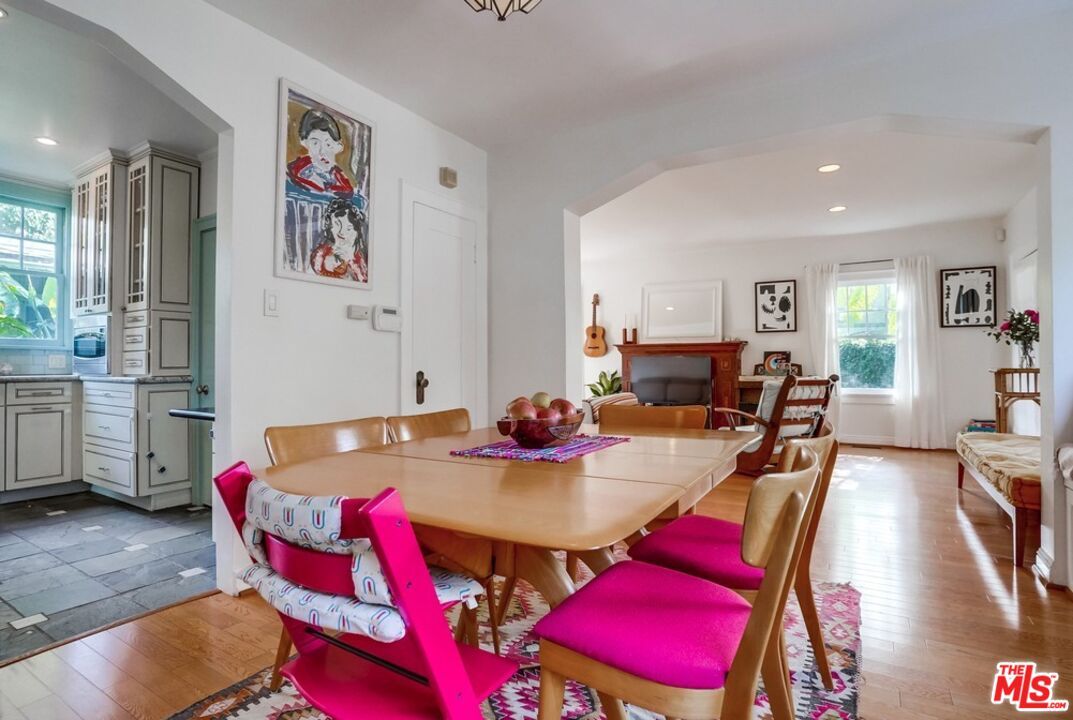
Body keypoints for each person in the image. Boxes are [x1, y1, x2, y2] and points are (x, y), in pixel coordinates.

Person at [286, 109, 355, 196]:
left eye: (328, 144)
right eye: (315, 143)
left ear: (338, 147)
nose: (322, 151)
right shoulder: (290, 179)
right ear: (304, 143)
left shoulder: (343, 186)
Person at [310, 198, 369, 282]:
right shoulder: (321, 254)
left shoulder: (358, 260)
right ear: (329, 224)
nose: (341, 232)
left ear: (355, 232)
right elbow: (317, 268)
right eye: (337, 224)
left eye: (348, 228)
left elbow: (363, 280)